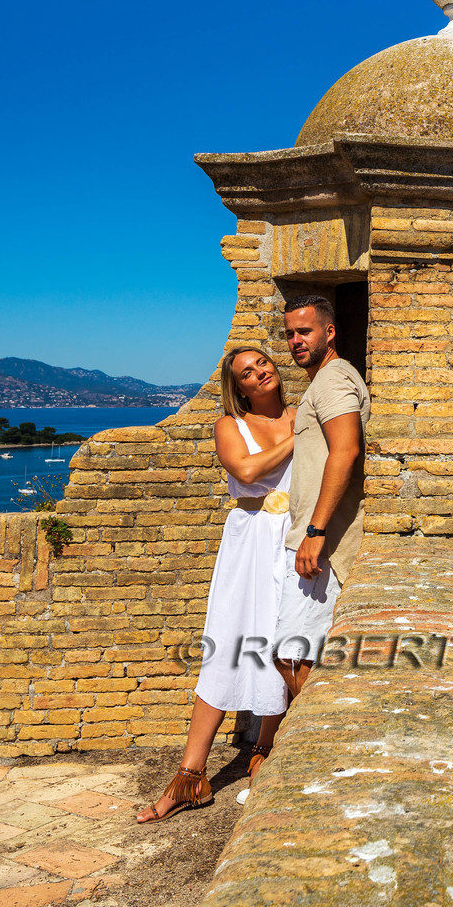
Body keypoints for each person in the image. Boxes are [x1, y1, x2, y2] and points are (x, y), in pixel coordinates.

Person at [136, 346, 295, 823]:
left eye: (263, 363)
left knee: (283, 644)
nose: (259, 372)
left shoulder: (300, 412)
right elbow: (246, 471)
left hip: (292, 538)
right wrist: (301, 435)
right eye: (247, 372)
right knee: (227, 646)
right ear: (238, 387)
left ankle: (264, 753)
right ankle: (189, 776)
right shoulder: (231, 425)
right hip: (248, 542)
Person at [274, 293, 369, 702]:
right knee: (298, 653)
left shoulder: (332, 379)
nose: (296, 340)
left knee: (291, 656)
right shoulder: (324, 382)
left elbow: (346, 450)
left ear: (329, 332)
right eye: (289, 334)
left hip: (325, 546)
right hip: (319, 541)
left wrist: (315, 531)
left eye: (304, 331)